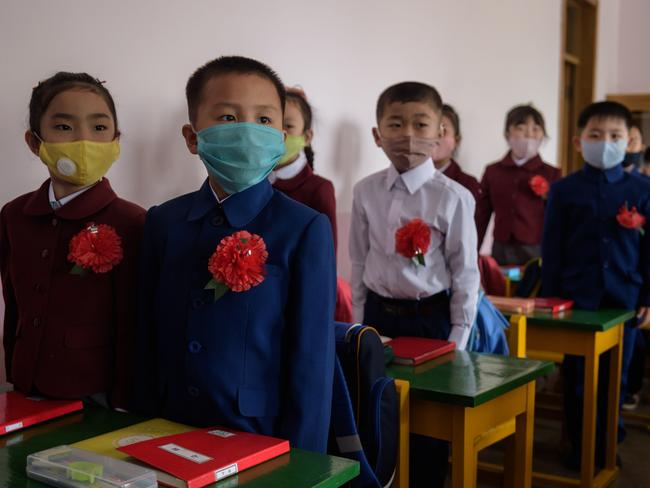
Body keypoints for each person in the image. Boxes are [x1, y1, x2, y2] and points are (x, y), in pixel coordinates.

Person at [132, 56, 336, 453]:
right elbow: (146, 337)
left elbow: (311, 361)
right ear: (192, 137)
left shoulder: (304, 229)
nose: (247, 132)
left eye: (263, 120)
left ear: (281, 136)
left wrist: (303, 463)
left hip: (258, 435)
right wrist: (140, 430)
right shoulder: (163, 222)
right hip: (168, 428)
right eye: (227, 117)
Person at [349, 81, 479, 487]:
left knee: (427, 429)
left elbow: (465, 273)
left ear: (441, 132)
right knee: (375, 415)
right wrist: (357, 320)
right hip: (377, 317)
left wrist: (459, 336)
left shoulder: (453, 197)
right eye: (395, 124)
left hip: (431, 320)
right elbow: (356, 258)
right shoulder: (365, 190)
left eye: (421, 124)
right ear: (377, 134)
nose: (408, 135)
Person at [1, 72, 145, 409]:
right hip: (26, 383)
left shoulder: (132, 221)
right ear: (35, 142)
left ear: (116, 140)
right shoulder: (13, 215)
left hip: (95, 392)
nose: (84, 140)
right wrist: (13, 371)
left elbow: (132, 324)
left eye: (98, 128)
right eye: (64, 127)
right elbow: (13, 303)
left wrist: (125, 401)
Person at [541, 100, 650, 468]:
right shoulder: (564, 190)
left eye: (615, 135)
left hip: (625, 298)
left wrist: (647, 295)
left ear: (629, 141)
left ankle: (607, 444)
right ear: (578, 141)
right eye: (596, 135)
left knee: (615, 377)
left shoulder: (641, 188)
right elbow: (551, 248)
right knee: (576, 376)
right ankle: (578, 442)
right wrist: (550, 298)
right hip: (576, 298)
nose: (606, 142)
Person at [477, 104, 561, 265]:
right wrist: (473, 251)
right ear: (508, 133)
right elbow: (482, 215)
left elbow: (558, 220)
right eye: (521, 128)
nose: (529, 134)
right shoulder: (493, 171)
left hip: (536, 246)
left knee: (533, 288)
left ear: (543, 134)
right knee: (500, 287)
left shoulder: (552, 173)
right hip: (501, 246)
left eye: (536, 128)